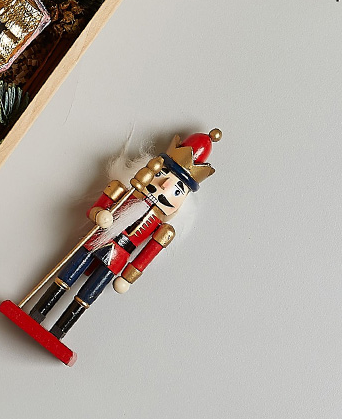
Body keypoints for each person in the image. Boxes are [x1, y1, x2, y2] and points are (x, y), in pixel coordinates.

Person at [29, 130, 220, 340]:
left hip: (118, 258)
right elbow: (95, 209)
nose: (164, 186)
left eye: (177, 190)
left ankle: (59, 332)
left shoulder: (163, 229)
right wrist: (100, 214)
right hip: (96, 240)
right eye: (161, 174)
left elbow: (146, 255)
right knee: (65, 277)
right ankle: (36, 314)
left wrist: (129, 278)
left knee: (87, 296)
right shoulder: (122, 193)